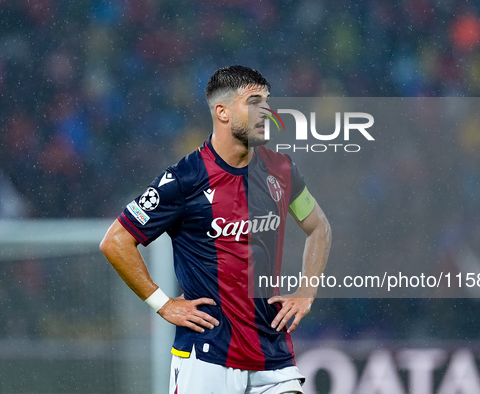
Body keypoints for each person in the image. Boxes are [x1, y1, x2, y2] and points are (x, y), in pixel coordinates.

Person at [100, 65, 331, 394]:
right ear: (221, 112)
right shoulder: (183, 180)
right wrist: (163, 304)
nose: (266, 111)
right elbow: (116, 241)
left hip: (272, 351)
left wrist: (307, 291)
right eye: (254, 102)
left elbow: (318, 227)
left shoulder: (281, 170)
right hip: (207, 355)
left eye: (267, 101)